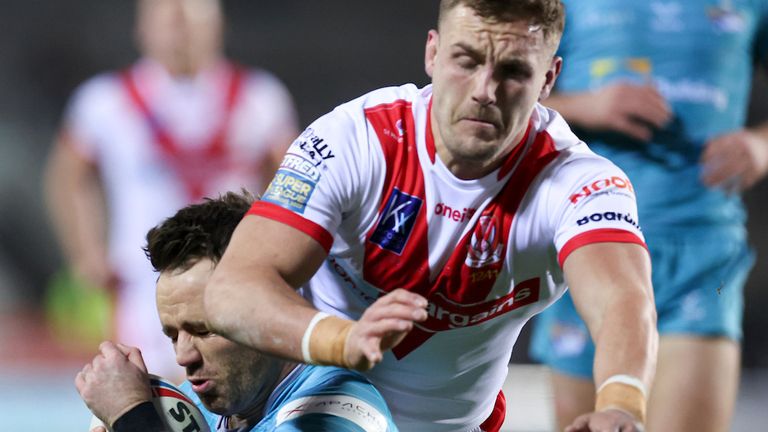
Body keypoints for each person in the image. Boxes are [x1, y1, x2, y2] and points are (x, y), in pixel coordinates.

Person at [200, 1, 659, 431]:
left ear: (548, 79)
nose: (485, 91)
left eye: (514, 71)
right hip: (308, 411)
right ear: (433, 53)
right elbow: (233, 290)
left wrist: (621, 401)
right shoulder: (354, 140)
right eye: (466, 60)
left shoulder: (577, 181)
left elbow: (622, 299)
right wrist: (342, 341)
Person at [528, 1, 768, 431]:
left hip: (699, 252)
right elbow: (504, 93)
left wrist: (762, 145)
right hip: (588, 246)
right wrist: (587, 106)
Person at [44, 0, 298, 378]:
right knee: (147, 389)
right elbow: (66, 177)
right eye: (168, 21)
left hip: (233, 273)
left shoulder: (260, 97)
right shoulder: (105, 101)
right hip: (140, 279)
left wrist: (282, 256)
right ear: (142, 29)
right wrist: (86, 256)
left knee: (236, 388)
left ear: (218, 26)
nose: (181, 32)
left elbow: (297, 180)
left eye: (193, 19)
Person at [76, 191, 399, 432]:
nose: (183, 357)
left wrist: (132, 414)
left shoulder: (339, 414)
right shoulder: (209, 404)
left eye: (204, 330)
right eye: (174, 335)